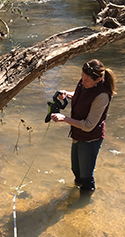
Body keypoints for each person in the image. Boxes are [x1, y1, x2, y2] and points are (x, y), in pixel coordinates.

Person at [50, 59, 116, 192]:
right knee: (76, 170)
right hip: (77, 134)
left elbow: (88, 125)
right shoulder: (85, 82)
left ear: (97, 80)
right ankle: (75, 195)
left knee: (86, 177)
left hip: (91, 139)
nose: (82, 82)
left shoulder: (102, 95)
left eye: (86, 80)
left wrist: (64, 119)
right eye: (82, 78)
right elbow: (81, 95)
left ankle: (84, 205)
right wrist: (67, 95)